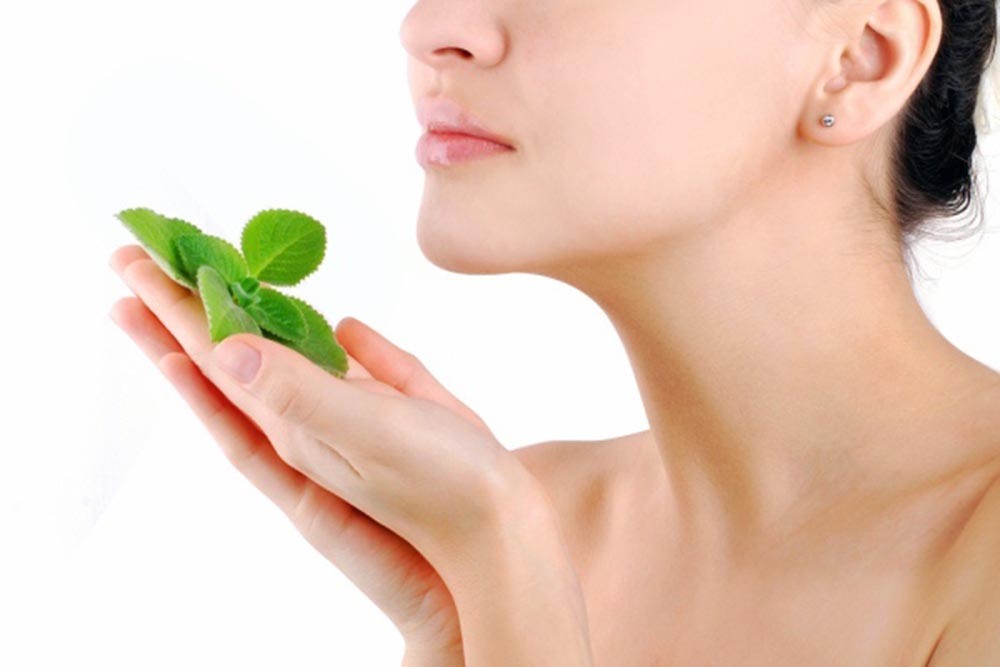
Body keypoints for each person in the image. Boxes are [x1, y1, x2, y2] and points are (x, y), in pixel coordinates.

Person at [109, 0, 1000, 664]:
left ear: (858, 57)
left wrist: (509, 582)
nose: (430, 27)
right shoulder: (535, 516)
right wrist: (458, 611)